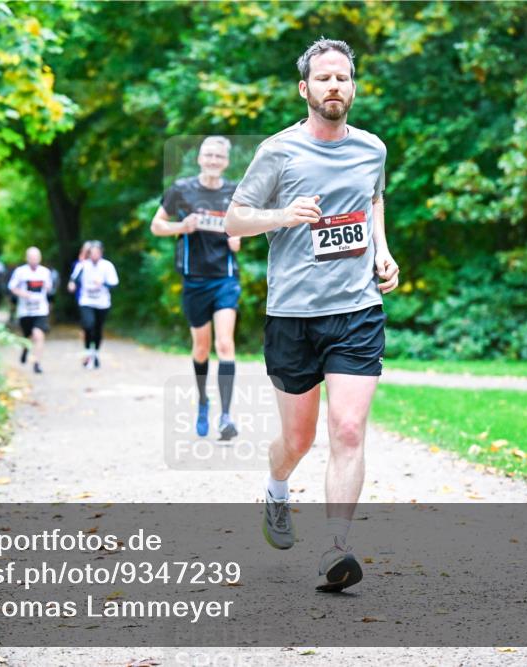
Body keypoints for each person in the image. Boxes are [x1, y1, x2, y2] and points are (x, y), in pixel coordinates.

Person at [225, 38, 399, 593]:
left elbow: (373, 198)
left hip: (356, 310)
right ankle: (277, 487)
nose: (334, 87)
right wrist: (283, 214)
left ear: (353, 87)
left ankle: (337, 549)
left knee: (348, 428)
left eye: (342, 79)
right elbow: (234, 220)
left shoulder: (372, 148)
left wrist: (382, 250)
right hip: (293, 315)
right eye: (323, 79)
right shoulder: (279, 151)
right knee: (296, 440)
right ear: (305, 89)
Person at [151, 136, 242, 441]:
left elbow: (241, 235)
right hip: (194, 280)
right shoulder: (181, 189)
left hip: (225, 278)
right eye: (208, 155)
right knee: (201, 348)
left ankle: (226, 416)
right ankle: (203, 401)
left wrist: (236, 237)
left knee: (225, 345)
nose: (214, 160)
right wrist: (181, 227)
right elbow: (156, 226)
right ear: (200, 158)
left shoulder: (235, 192)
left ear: (226, 161)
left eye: (219, 155)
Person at [68, 240, 118, 369]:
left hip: (102, 303)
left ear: (101, 253)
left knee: (98, 329)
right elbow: (74, 279)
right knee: (88, 325)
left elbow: (114, 284)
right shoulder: (83, 265)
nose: (94, 255)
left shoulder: (107, 266)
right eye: (92, 253)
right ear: (89, 254)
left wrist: (103, 283)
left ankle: (95, 354)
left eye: (97, 252)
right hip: (87, 301)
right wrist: (72, 285)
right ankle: (88, 352)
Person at [7, 247, 54, 374]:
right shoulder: (20, 272)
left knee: (38, 334)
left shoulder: (45, 272)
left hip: (40, 310)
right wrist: (23, 294)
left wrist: (48, 287)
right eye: (31, 257)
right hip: (25, 310)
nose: (34, 260)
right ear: (27, 258)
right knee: (28, 336)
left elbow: (49, 288)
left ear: (40, 258)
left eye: (36, 257)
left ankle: (37, 363)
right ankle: (25, 349)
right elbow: (12, 287)